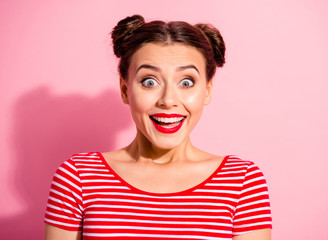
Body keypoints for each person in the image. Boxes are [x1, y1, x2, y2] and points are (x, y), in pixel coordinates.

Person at [44, 15, 272, 240]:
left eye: (186, 82)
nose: (168, 100)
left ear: (208, 90)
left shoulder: (241, 181)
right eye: (150, 81)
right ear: (125, 90)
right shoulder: (78, 177)